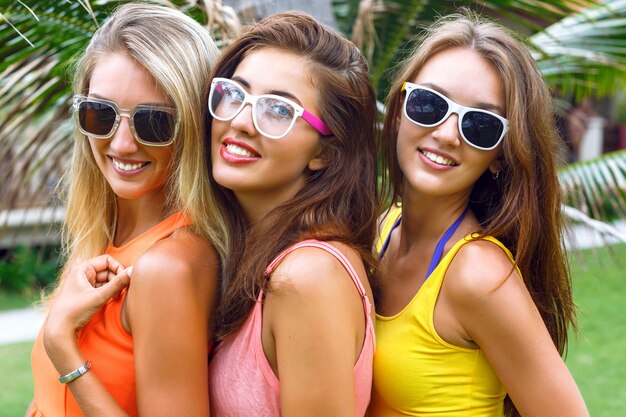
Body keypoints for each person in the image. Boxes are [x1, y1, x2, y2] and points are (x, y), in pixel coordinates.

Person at [371, 13, 589, 417]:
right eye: (429, 104)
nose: (447, 133)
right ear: (399, 109)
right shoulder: (383, 229)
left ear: (500, 154)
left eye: (481, 125)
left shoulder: (478, 275)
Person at [28, 3, 225, 416]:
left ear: (193, 127)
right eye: (99, 114)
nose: (120, 144)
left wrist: (62, 346)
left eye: (153, 122)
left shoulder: (166, 268)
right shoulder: (103, 239)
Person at [206, 12, 378, 416]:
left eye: (279, 110)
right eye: (234, 93)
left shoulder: (307, 279)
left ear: (324, 153)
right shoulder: (258, 257)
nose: (241, 121)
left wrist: (72, 363)